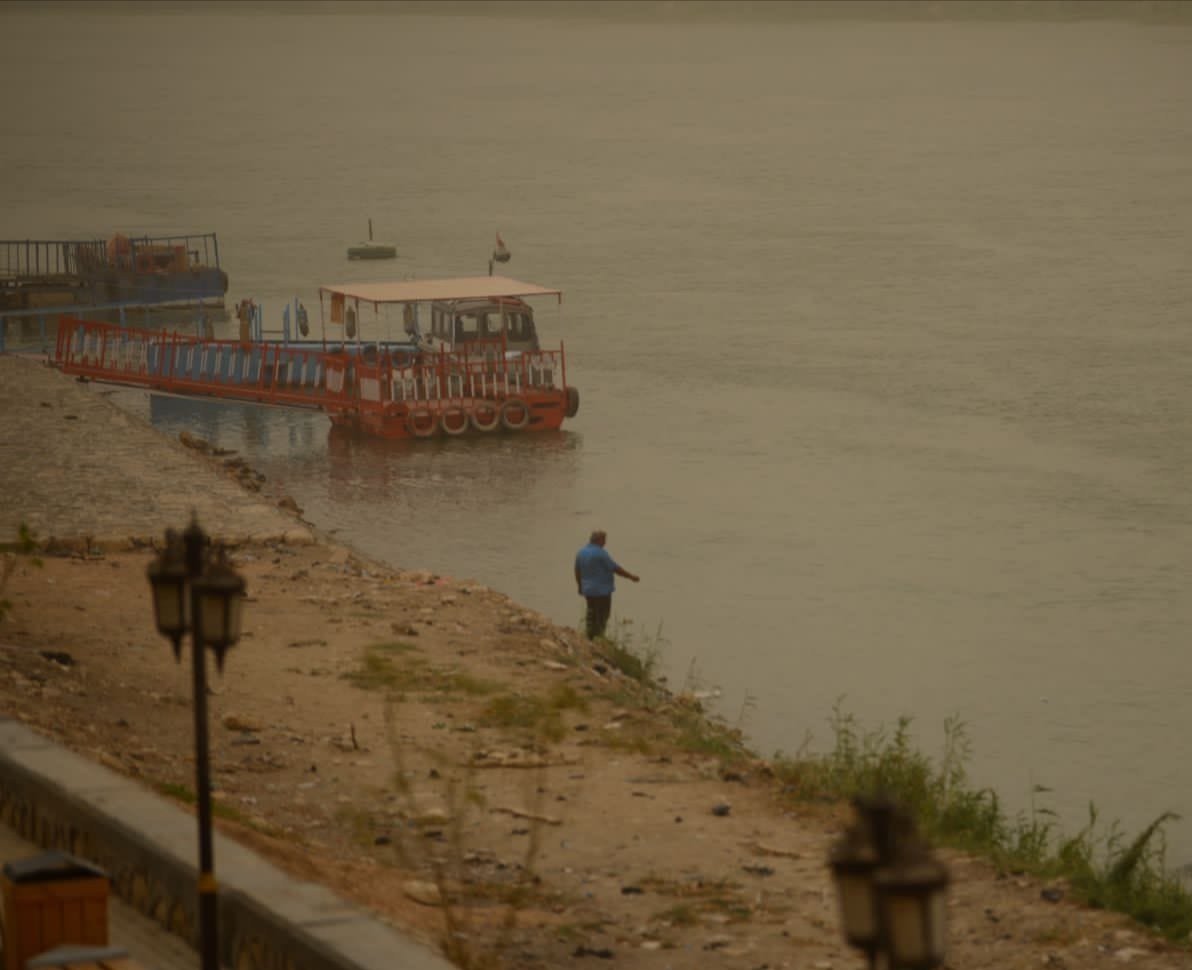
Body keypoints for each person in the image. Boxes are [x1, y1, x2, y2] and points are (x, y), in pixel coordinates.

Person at [574, 529, 639, 640]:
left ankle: (589, 637)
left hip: (588, 590)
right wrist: (631, 576)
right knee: (603, 615)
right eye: (604, 540)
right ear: (599, 540)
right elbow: (615, 568)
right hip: (602, 591)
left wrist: (580, 586)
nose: (605, 543)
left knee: (591, 614)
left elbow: (577, 571)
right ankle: (599, 637)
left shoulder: (581, 552)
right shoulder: (601, 553)